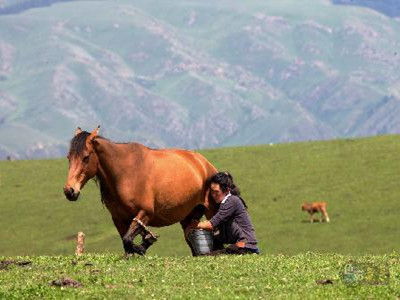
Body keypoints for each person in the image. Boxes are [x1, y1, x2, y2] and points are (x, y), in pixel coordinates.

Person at [188, 172, 259, 255]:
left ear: (226, 190)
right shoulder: (224, 203)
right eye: (212, 192)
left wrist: (194, 225)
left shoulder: (232, 201)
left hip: (245, 246)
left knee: (207, 258)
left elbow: (211, 224)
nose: (213, 195)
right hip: (239, 246)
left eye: (216, 192)